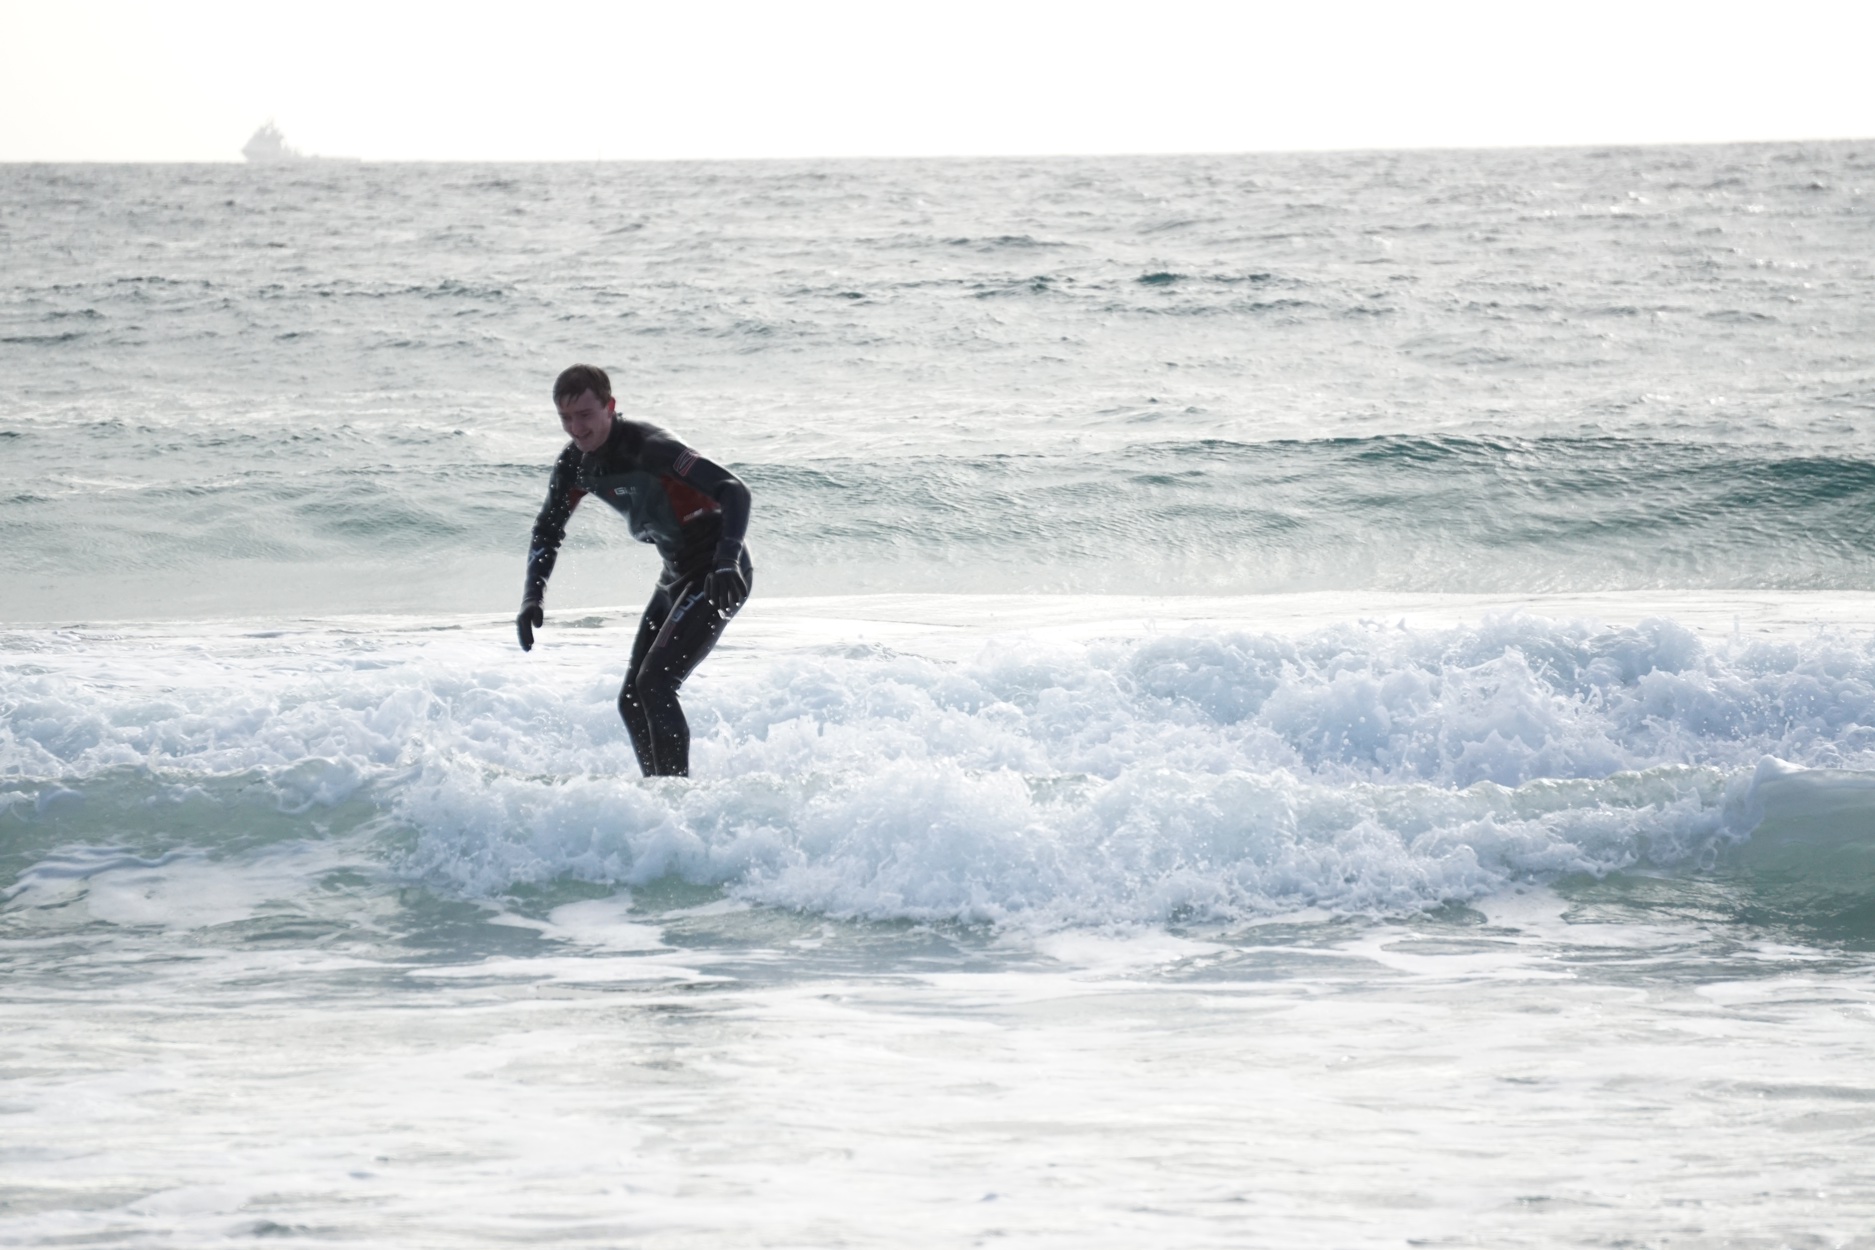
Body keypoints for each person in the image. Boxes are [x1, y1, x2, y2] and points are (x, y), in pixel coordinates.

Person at [517, 364, 752, 777]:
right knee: (631, 700)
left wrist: (727, 559)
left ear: (610, 406)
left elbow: (733, 490)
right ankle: (658, 794)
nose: (576, 428)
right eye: (565, 418)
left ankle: (677, 798)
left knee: (656, 684)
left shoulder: (652, 447)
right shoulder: (575, 465)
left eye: (585, 415)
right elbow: (548, 529)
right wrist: (532, 597)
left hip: (718, 572)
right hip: (675, 575)